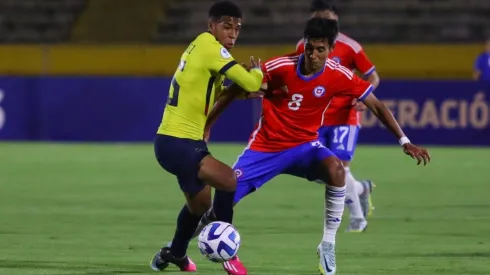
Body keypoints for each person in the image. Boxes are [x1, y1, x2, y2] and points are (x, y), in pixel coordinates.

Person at [201, 17, 430, 275]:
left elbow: (376, 105)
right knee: (224, 193)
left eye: (320, 50)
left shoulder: (339, 74)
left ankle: (328, 245)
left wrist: (405, 141)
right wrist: (209, 124)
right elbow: (236, 88)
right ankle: (202, 228)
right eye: (309, 48)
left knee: (337, 170)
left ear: (331, 50)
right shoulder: (279, 66)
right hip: (265, 149)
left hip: (305, 147)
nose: (312, 55)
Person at [149, 1, 263, 273]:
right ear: (211, 25)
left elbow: (224, 91)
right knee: (227, 180)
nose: (232, 34)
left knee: (200, 205)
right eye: (226, 27)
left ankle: (174, 253)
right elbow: (252, 83)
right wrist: (256, 72)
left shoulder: (200, 47)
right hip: (179, 142)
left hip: (172, 142)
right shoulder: (211, 48)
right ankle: (228, 257)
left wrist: (236, 89)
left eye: (237, 28)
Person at [295, 0, 381, 232]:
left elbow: (373, 77)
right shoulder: (303, 46)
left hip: (345, 116)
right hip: (316, 118)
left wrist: (364, 96)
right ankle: (360, 189)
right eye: (318, 17)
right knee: (316, 170)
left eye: (327, 17)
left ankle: (357, 218)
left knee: (341, 167)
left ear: (335, 18)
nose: (323, 21)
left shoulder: (350, 46)